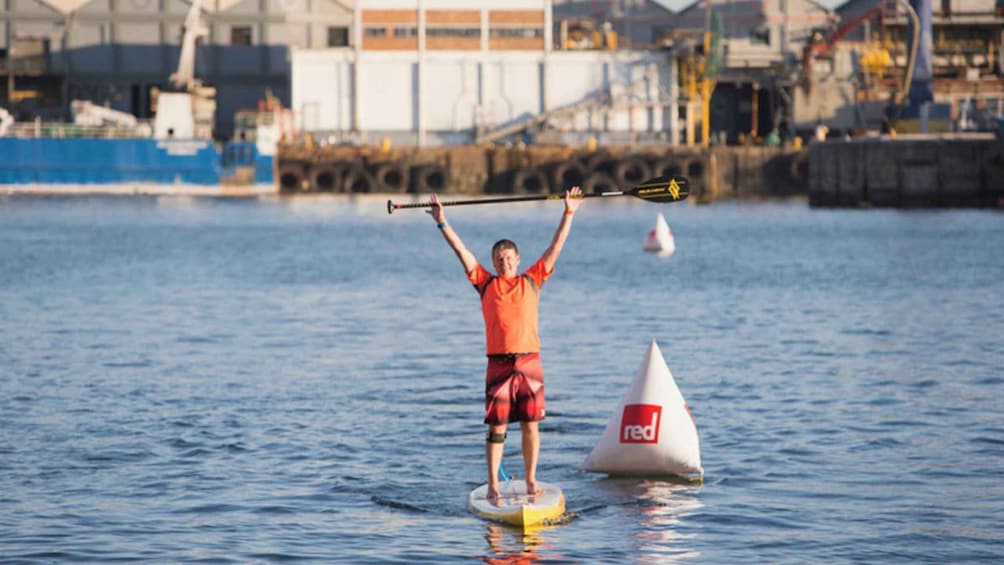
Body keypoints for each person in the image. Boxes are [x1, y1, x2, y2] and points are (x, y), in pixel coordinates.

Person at [428, 187, 583, 503]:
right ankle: (494, 485)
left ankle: (530, 479)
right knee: (497, 427)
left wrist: (568, 212)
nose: (504, 262)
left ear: (518, 260)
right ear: (494, 263)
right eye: (499, 259)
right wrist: (442, 222)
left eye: (509, 258)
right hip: (498, 363)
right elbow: (462, 252)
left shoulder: (532, 280)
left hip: (529, 362)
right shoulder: (485, 283)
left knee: (531, 425)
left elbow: (556, 247)